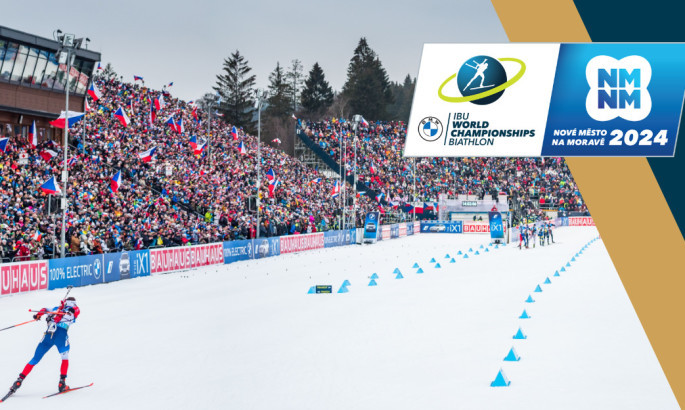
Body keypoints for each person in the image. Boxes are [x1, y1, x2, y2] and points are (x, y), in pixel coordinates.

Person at [8, 297, 80, 394]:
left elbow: (44, 309)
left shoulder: (56, 309)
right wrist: (40, 314)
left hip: (48, 336)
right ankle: (62, 383)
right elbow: (76, 311)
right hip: (61, 336)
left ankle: (18, 381)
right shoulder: (71, 310)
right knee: (65, 358)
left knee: (35, 359)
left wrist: (38, 315)